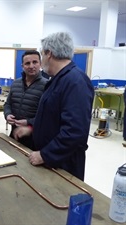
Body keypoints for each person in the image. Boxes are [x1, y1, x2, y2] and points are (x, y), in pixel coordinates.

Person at [13, 32, 94, 181]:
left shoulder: (75, 82)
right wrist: (31, 127)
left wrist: (45, 155)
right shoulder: (58, 79)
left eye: (42, 55)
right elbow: (50, 117)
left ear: (49, 54)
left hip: (63, 165)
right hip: (50, 161)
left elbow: (74, 131)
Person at [4, 50, 48, 149]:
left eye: (35, 62)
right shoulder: (15, 84)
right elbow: (7, 104)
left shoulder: (47, 86)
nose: (31, 66)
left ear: (40, 64)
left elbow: (48, 116)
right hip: (15, 136)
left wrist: (29, 123)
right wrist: (7, 114)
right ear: (22, 66)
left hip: (35, 140)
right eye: (27, 63)